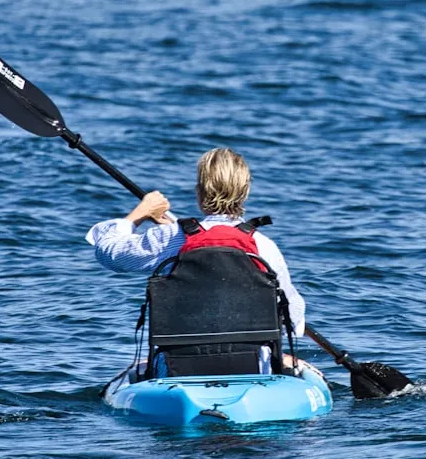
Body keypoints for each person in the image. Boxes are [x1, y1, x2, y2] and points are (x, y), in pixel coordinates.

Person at [86, 148, 306, 376]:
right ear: (246, 192)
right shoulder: (263, 245)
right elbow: (294, 316)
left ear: (199, 193)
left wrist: (139, 214)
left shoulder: (170, 237)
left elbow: (109, 253)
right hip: (250, 365)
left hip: (178, 366)